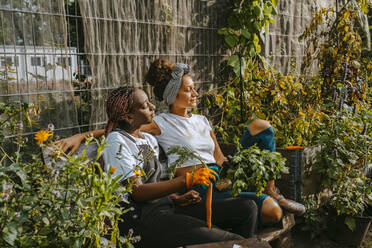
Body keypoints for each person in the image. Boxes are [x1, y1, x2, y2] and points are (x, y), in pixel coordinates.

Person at [56, 59, 305, 222]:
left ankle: (271, 189)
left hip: (222, 180)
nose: (195, 93)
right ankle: (263, 201)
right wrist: (81, 136)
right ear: (173, 95)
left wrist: (237, 170)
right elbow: (123, 128)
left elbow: (218, 157)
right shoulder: (162, 122)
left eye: (194, 88)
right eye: (189, 89)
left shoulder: (202, 121)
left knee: (261, 126)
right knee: (272, 212)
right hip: (197, 189)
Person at [100, 86, 258, 248]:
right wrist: (186, 180)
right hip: (141, 220)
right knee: (231, 241)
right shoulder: (116, 142)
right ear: (128, 116)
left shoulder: (146, 138)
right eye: (145, 105)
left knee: (246, 209)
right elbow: (137, 191)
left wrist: (176, 197)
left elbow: (152, 180)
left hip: (166, 208)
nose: (153, 107)